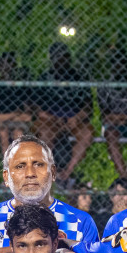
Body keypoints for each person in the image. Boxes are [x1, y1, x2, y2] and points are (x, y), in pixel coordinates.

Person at [35, 43, 91, 182]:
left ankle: (67, 172)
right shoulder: (44, 78)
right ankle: (49, 171)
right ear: (52, 59)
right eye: (58, 57)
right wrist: (52, 118)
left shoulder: (78, 77)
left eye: (65, 57)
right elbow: (35, 109)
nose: (62, 61)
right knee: (44, 133)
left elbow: (89, 106)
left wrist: (78, 117)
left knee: (87, 133)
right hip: (50, 120)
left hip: (74, 121)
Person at [0, 52, 34, 154]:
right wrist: (14, 114)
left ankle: (18, 164)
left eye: (10, 64)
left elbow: (28, 116)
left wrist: (7, 117)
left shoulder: (21, 86)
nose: (7, 68)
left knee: (18, 131)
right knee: (3, 131)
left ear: (15, 66)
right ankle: (7, 166)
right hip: (1, 123)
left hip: (18, 122)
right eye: (3, 65)